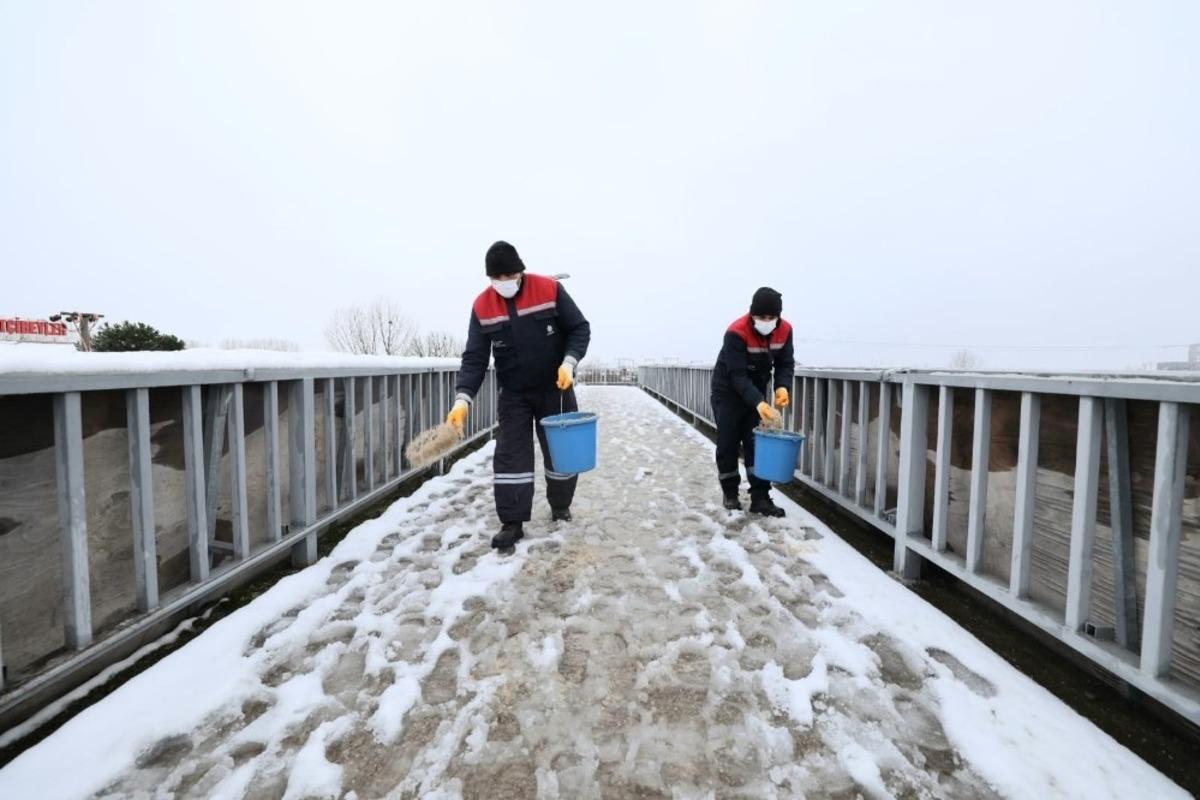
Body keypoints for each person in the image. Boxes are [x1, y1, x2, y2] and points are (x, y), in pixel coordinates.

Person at [446, 241, 591, 549]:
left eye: (510, 274)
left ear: (521, 271)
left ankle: (560, 506)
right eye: (498, 278)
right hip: (514, 393)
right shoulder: (483, 306)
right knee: (511, 456)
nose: (505, 282)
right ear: (490, 278)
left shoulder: (548, 290)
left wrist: (569, 361)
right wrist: (463, 399)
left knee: (560, 455)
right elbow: (474, 357)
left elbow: (579, 328)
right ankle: (512, 523)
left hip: (556, 387)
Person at [710, 287, 795, 516]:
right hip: (727, 391)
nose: (765, 321)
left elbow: (785, 363)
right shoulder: (736, 332)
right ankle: (730, 493)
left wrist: (782, 387)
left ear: (778, 317)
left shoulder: (785, 330)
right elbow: (737, 375)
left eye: (771, 317)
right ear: (751, 314)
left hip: (756, 390)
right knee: (728, 443)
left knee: (756, 445)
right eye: (760, 317)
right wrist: (759, 402)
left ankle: (760, 497)